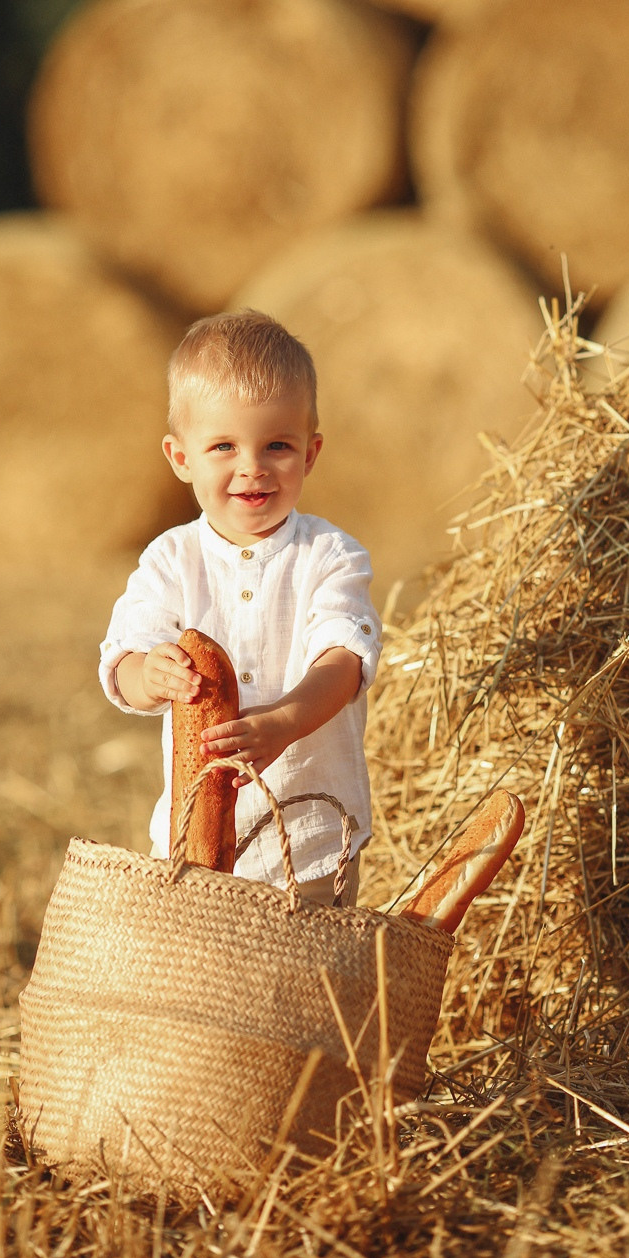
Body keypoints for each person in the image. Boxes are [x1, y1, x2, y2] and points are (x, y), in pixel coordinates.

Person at [98, 309, 382, 904]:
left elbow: (343, 660)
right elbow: (123, 661)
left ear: (310, 453)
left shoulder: (330, 555)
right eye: (223, 446)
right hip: (191, 847)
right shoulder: (171, 560)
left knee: (309, 965)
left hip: (310, 843)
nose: (252, 466)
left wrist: (286, 721)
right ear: (181, 458)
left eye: (277, 445)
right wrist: (148, 674)